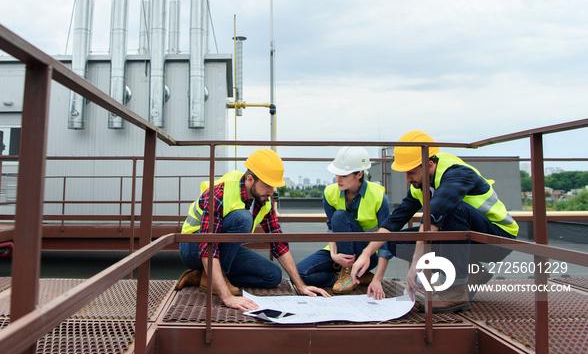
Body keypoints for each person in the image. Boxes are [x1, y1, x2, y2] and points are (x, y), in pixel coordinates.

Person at [351, 131, 518, 313]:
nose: (407, 179)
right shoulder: (419, 184)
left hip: (496, 239)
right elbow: (395, 221)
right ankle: (472, 271)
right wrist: (367, 253)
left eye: (411, 172)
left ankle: (455, 291)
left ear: (429, 164)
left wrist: (417, 264)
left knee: (451, 209)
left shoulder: (457, 173)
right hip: (468, 238)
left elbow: (434, 216)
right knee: (394, 241)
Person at [175, 148, 329, 311]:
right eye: (267, 185)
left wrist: (301, 286)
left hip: (220, 251)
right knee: (243, 218)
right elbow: (206, 247)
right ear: (250, 179)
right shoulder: (220, 193)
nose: (271, 192)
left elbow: (278, 244)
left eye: (273, 186)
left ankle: (203, 276)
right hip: (192, 246)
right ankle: (213, 279)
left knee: (272, 276)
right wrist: (227, 297)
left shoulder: (264, 200)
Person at [296, 147, 392, 299]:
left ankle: (349, 273)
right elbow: (331, 228)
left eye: (343, 175)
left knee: (339, 216)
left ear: (359, 174)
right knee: (300, 273)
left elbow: (386, 239)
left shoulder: (378, 196)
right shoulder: (329, 192)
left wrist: (378, 279)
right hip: (339, 250)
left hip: (367, 254)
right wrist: (334, 255)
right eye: (336, 173)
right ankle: (352, 277)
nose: (338, 179)